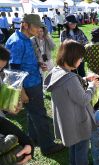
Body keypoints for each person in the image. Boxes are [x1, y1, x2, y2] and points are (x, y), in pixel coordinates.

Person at [5, 14, 64, 156]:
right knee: (40, 115)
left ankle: (34, 138)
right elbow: (13, 70)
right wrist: (22, 92)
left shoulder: (24, 39)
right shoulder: (17, 42)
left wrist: (36, 63)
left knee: (33, 114)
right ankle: (48, 146)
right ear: (25, 25)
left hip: (33, 81)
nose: (39, 29)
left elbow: (21, 62)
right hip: (28, 86)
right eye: (36, 26)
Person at [44, 40, 99, 165]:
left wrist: (84, 79)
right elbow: (84, 99)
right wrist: (92, 86)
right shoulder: (70, 79)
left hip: (67, 123)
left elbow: (69, 87)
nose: (81, 61)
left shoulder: (57, 71)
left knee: (74, 147)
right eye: (80, 58)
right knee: (81, 151)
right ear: (72, 57)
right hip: (78, 123)